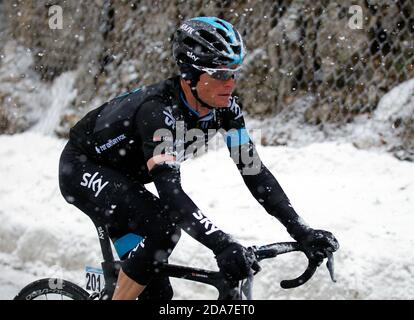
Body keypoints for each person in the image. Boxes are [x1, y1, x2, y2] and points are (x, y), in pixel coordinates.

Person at [58, 16, 339, 300]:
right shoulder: (158, 112)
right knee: (163, 228)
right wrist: (221, 244)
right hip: (83, 167)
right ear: (190, 75)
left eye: (234, 72)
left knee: (157, 295)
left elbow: (253, 171)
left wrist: (300, 229)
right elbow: (170, 193)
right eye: (219, 74)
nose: (229, 83)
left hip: (127, 178)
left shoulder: (225, 110)